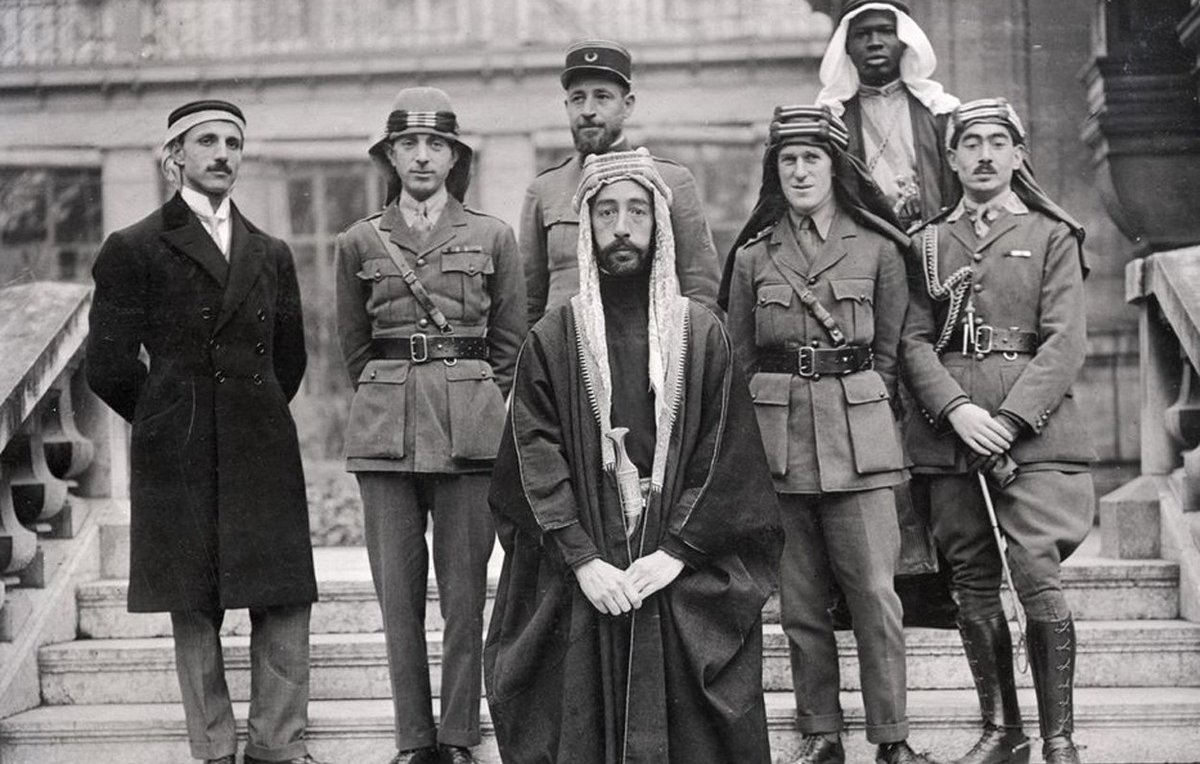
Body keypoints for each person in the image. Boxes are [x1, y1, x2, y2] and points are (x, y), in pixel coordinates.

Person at [485, 148, 781, 763]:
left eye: (638, 211)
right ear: (588, 229)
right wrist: (584, 561)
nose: (622, 226)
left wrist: (676, 552)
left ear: (659, 226)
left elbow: (726, 455)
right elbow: (532, 454)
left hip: (680, 560)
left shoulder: (701, 332)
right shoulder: (551, 338)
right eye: (607, 212)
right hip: (585, 563)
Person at [86, 100, 326, 764]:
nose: (223, 153)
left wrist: (254, 411)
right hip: (179, 448)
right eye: (207, 141)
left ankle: (278, 747)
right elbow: (107, 363)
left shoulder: (271, 253)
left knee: (282, 597)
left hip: (261, 445)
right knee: (195, 602)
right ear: (175, 158)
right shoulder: (133, 247)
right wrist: (168, 415)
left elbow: (291, 357)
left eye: (234, 142)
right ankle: (216, 749)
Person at [723, 106, 936, 764]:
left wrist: (871, 411)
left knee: (875, 595)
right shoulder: (755, 255)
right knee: (802, 603)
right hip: (778, 444)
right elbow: (738, 358)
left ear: (836, 167)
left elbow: (896, 352)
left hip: (861, 443)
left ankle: (892, 739)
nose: (799, 170)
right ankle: (821, 734)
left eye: (812, 158)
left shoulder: (878, 247)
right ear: (774, 169)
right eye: (788, 160)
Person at [334, 87, 525, 764]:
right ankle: (415, 740)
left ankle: (459, 736)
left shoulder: (492, 234)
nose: (421, 156)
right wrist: (400, 392)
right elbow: (355, 347)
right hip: (385, 435)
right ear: (390, 155)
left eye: (435, 144)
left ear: (453, 156)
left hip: (469, 432)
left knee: (467, 598)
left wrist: (466, 395)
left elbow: (509, 346)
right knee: (398, 597)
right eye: (408, 144)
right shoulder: (360, 238)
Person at [901, 98, 1093, 764]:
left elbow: (1066, 341)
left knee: (1036, 574)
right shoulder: (927, 244)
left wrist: (1008, 421)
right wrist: (957, 410)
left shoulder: (1052, 235)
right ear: (951, 160)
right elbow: (914, 340)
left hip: (1033, 436)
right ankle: (1002, 730)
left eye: (997, 142)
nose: (983, 154)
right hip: (950, 433)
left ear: (1018, 153)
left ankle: (1058, 737)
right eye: (970, 144)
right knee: (972, 580)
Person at [520, 39, 721, 326]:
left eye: (602, 97)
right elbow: (528, 303)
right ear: (567, 106)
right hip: (564, 354)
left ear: (627, 106)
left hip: (646, 352)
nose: (588, 110)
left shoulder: (671, 182)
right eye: (578, 98)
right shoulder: (544, 190)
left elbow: (702, 292)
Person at [817, 0, 961, 231]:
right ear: (846, 47)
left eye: (886, 31)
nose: (875, 43)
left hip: (933, 240)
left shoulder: (938, 110)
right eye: (862, 34)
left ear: (904, 42)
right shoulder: (833, 119)